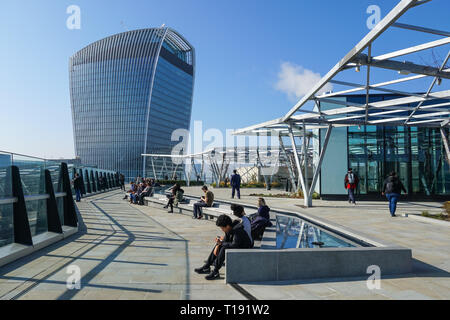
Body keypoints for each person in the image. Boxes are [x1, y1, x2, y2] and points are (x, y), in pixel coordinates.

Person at [194, 215, 252, 280]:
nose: (221, 229)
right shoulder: (228, 228)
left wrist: (222, 243)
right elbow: (226, 241)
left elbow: (235, 245)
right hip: (237, 245)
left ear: (227, 226)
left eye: (222, 228)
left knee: (224, 248)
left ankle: (215, 272)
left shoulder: (237, 231)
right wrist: (220, 243)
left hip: (245, 249)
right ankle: (207, 266)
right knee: (218, 245)